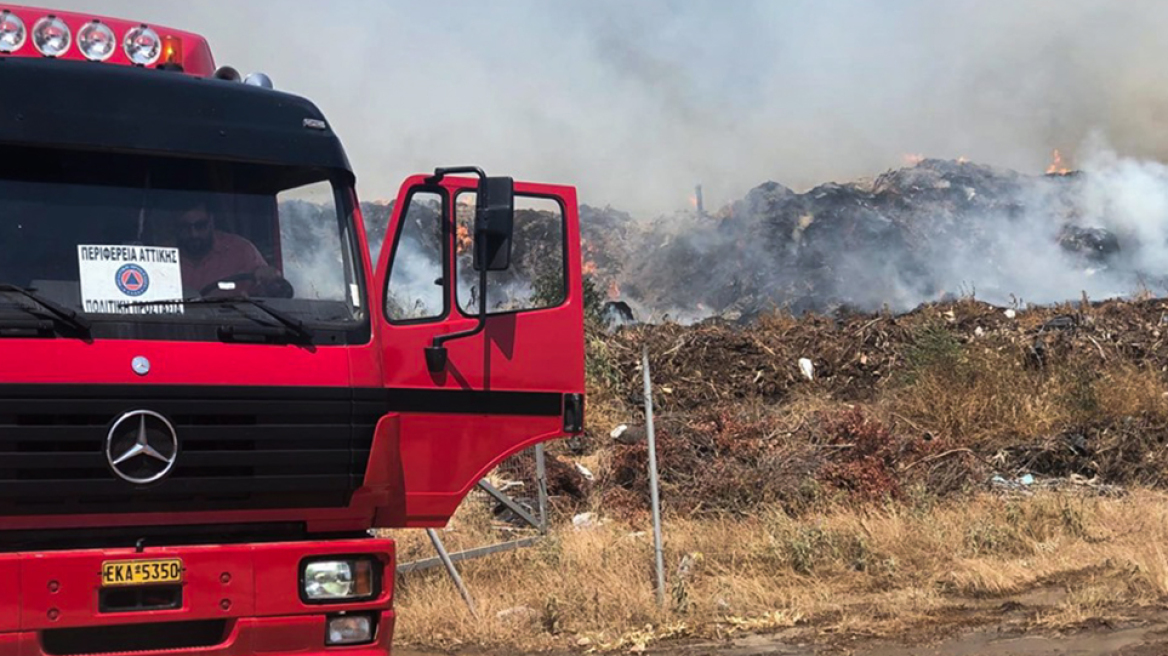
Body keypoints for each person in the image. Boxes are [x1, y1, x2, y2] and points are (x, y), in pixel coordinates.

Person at [174, 202, 287, 297]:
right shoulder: (163, 254)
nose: (194, 234)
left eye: (200, 225)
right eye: (185, 227)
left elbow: (270, 290)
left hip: (235, 322)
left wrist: (271, 277)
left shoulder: (241, 251)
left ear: (212, 222)